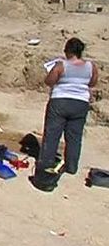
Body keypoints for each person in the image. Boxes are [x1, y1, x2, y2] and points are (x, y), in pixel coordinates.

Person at [36, 37, 98, 179]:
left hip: (60, 101)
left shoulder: (60, 65)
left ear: (68, 50)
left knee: (52, 135)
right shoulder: (91, 66)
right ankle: (71, 166)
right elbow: (92, 82)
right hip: (80, 103)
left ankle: (46, 164)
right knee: (74, 137)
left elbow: (49, 81)